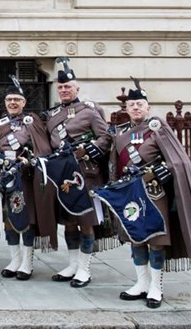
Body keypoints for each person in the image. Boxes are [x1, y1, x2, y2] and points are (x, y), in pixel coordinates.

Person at [105, 78, 191, 308]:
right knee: (136, 237)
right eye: (132, 105)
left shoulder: (157, 128)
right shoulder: (121, 132)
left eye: (140, 104)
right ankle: (141, 283)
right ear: (126, 109)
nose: (135, 108)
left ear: (148, 107)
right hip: (129, 193)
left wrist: (160, 170)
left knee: (155, 240)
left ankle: (156, 286)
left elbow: (178, 161)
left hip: (155, 193)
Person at [44, 58, 111, 287]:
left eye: (68, 87)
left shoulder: (90, 111)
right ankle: (72, 264)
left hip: (85, 173)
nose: (63, 90)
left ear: (77, 89)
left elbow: (106, 137)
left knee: (85, 221)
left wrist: (92, 148)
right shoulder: (52, 115)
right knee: (69, 221)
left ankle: (84, 269)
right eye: (60, 87)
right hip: (62, 174)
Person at [0, 76, 56, 281]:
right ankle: (14, 260)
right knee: (9, 220)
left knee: (27, 219)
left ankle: (27, 262)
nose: (13, 103)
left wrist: (29, 159)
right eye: (9, 100)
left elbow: (43, 148)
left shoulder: (32, 122)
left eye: (17, 99)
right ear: (5, 103)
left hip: (25, 177)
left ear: (24, 102)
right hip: (3, 175)